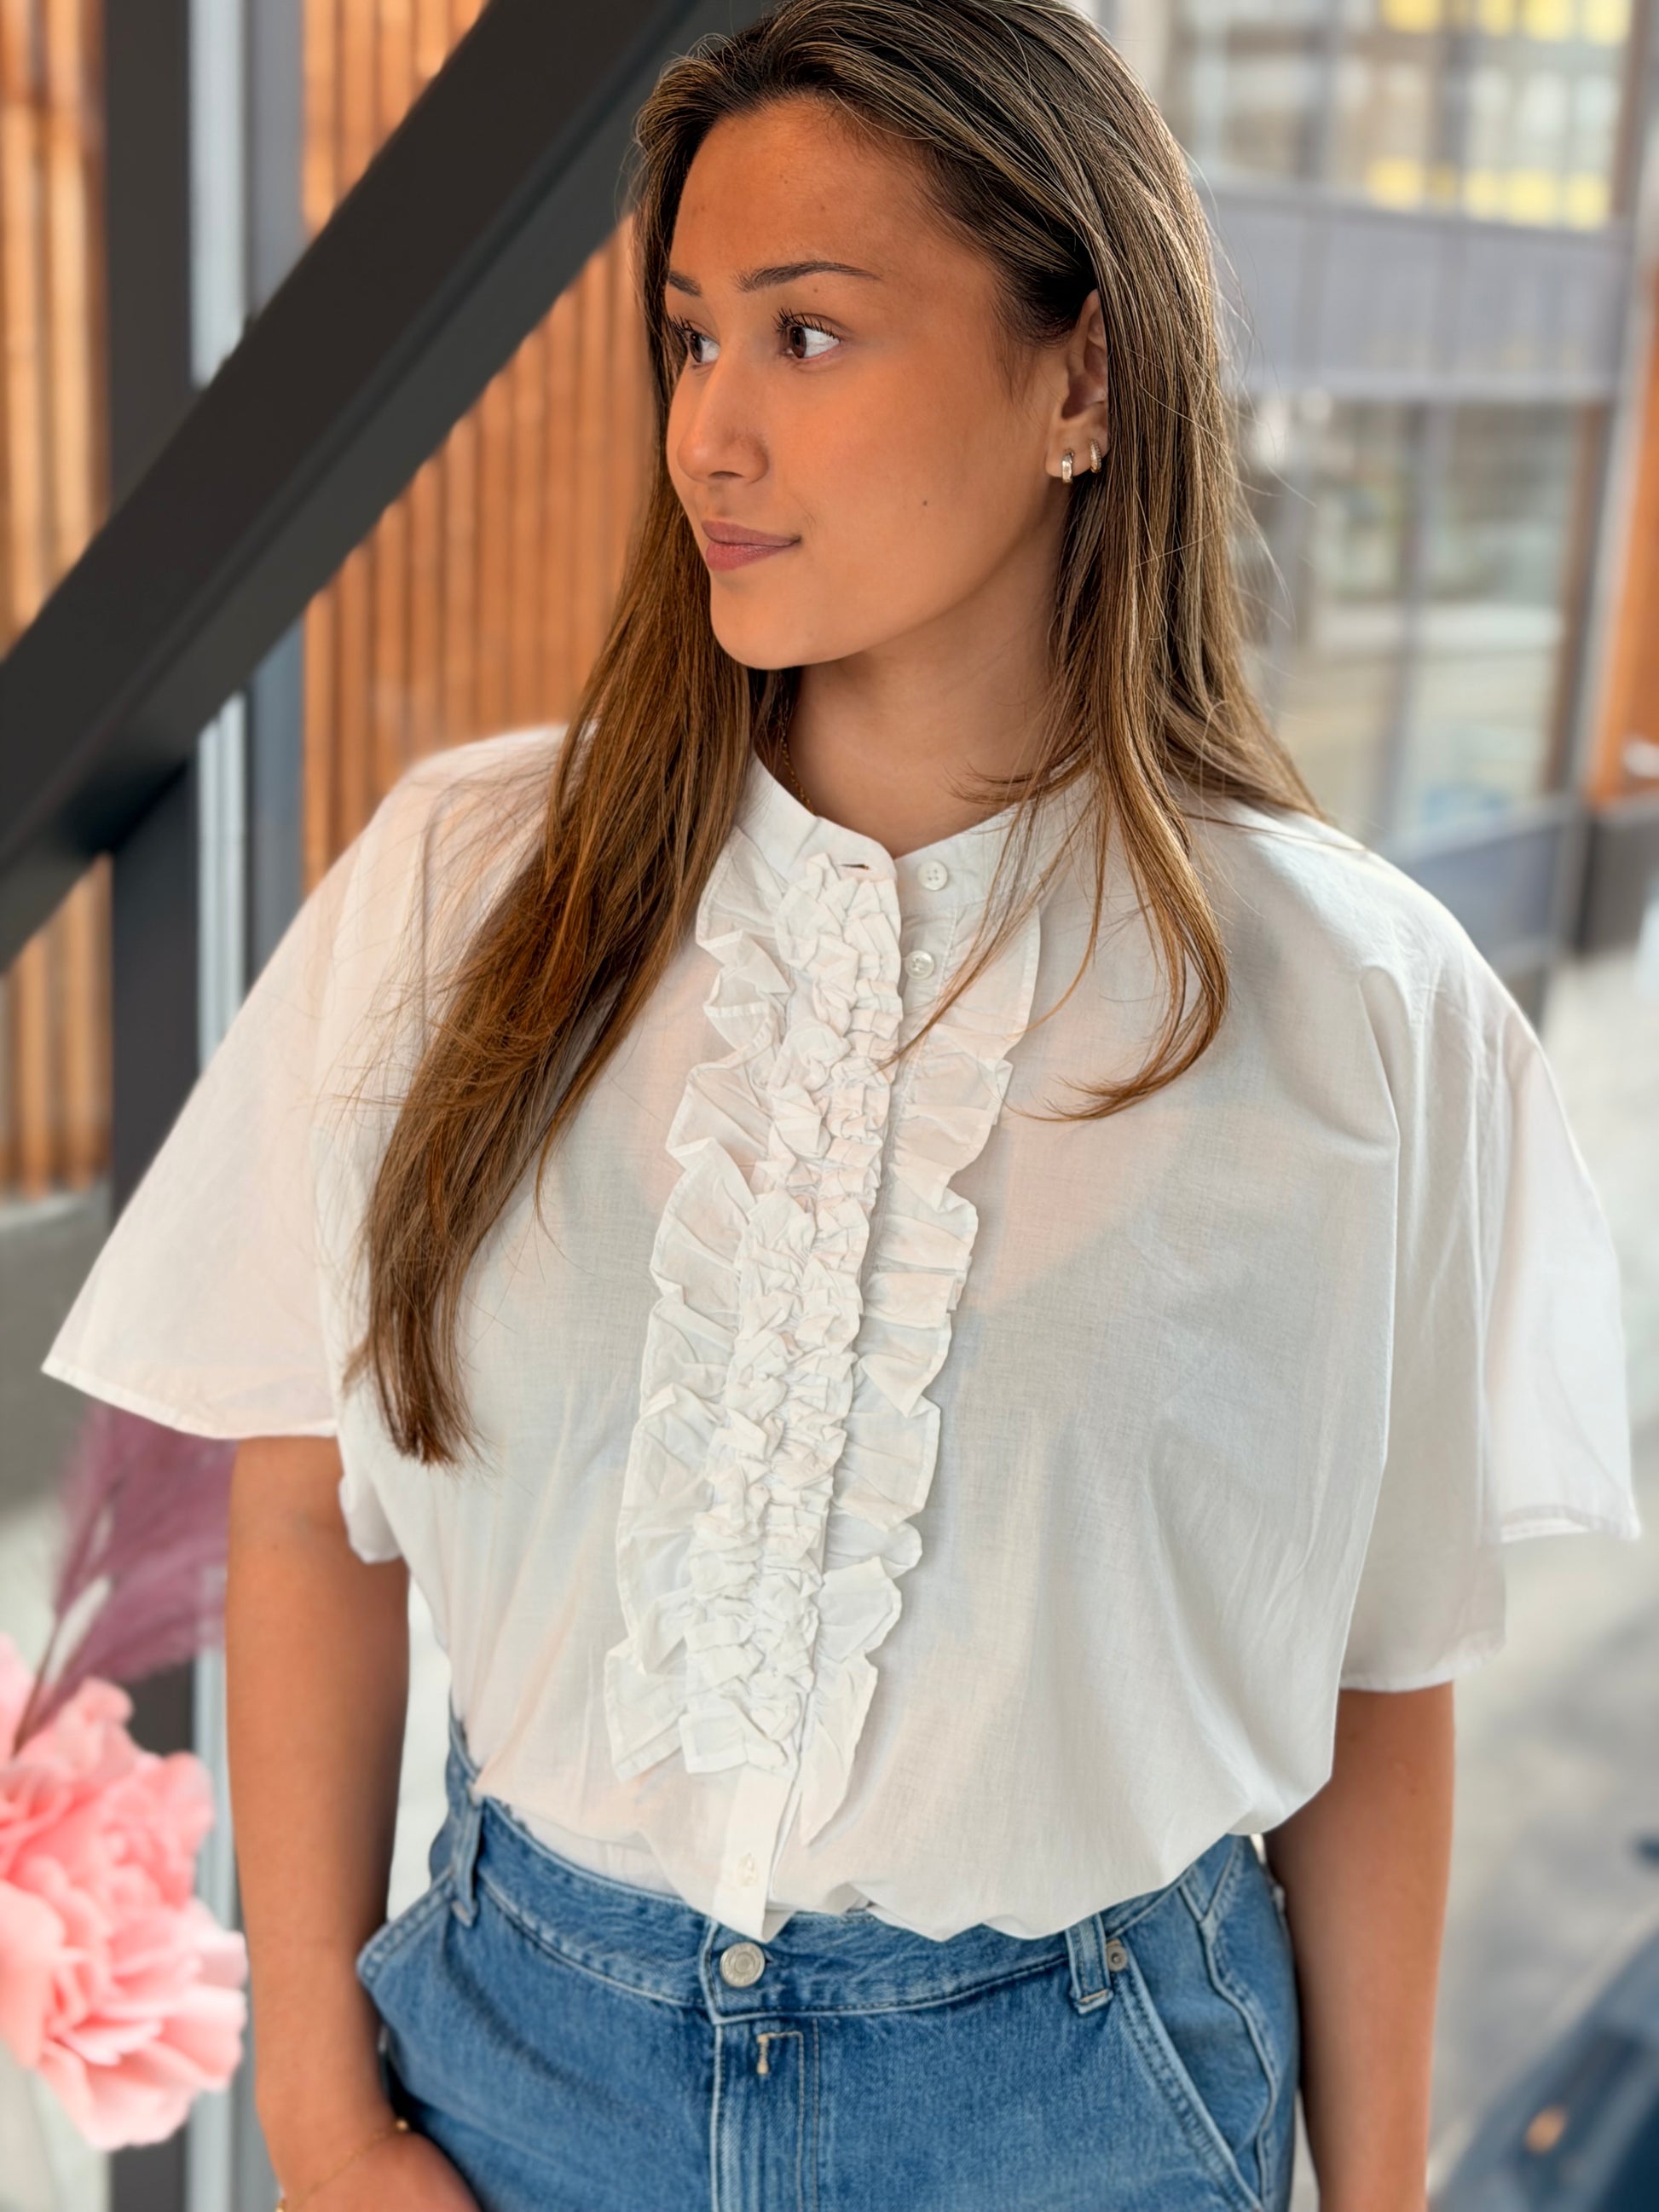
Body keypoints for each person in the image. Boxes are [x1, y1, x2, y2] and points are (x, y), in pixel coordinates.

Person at [44, 3, 1638, 2208]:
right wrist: (318, 2116)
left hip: (1083, 2115)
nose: (706, 429)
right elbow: (313, 1493)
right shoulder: (466, 882)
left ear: (1082, 378)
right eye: (689, 338)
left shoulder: (1362, 1008)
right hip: (512, 2074)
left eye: (805, 334)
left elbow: (1379, 1677)